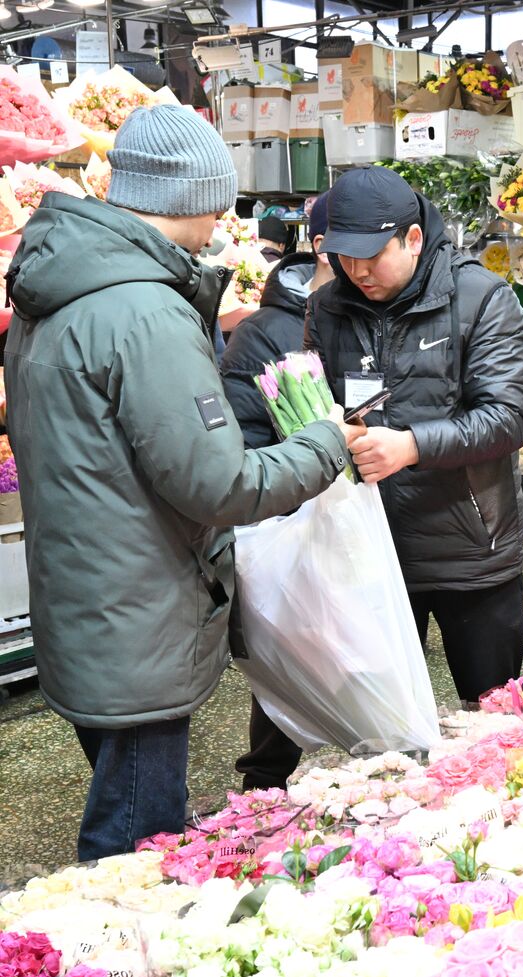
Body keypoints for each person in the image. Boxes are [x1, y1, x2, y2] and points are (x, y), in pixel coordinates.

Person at [3, 105, 363, 860]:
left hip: (87, 605)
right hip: (140, 623)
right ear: (195, 196)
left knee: (127, 804)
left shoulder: (58, 289)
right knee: (133, 845)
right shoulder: (145, 310)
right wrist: (323, 441)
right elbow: (219, 483)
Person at [306, 165, 523, 705]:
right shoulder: (326, 306)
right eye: (344, 256)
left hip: (471, 554)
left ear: (412, 239)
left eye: (372, 256)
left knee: (492, 714)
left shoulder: (483, 298)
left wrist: (411, 446)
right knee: (389, 728)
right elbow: (315, 402)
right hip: (372, 549)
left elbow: (509, 416)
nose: (357, 271)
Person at [221, 190, 337, 790]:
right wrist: (310, 454)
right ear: (322, 246)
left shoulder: (374, 309)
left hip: (371, 523)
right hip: (293, 523)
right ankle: (264, 792)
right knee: (287, 663)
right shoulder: (263, 332)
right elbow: (241, 438)